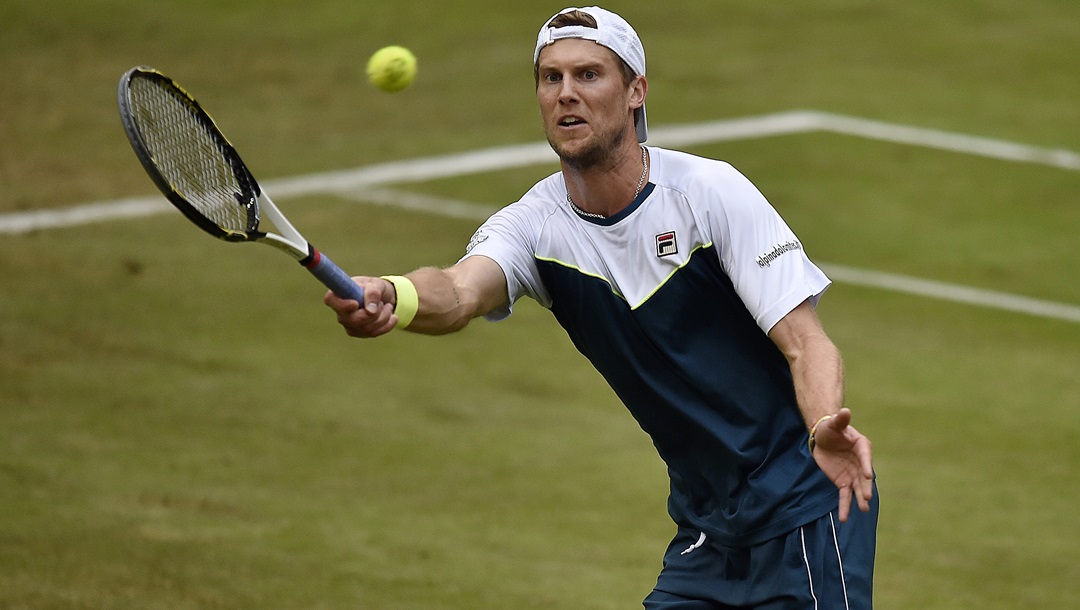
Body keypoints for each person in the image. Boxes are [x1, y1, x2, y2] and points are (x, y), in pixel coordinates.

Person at [325, 6, 877, 608]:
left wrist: (825, 425)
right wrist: (394, 294)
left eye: (589, 75)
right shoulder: (534, 227)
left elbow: (806, 343)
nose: (566, 94)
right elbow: (458, 292)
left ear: (636, 90)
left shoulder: (708, 194)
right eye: (550, 78)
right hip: (707, 528)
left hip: (805, 504)